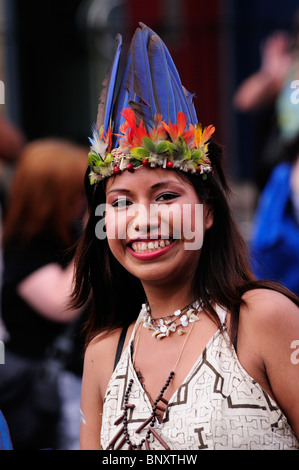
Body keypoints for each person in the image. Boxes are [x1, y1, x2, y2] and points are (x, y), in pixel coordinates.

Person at [73, 23, 299, 450]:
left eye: (165, 196)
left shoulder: (264, 319)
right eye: (121, 202)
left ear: (208, 212)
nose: (143, 220)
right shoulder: (104, 352)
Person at [0, 138, 87, 449]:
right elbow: (63, 304)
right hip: (48, 377)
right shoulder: (23, 244)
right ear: (51, 195)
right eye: (77, 193)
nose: (83, 200)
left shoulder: (68, 229)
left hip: (76, 372)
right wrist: (95, 237)